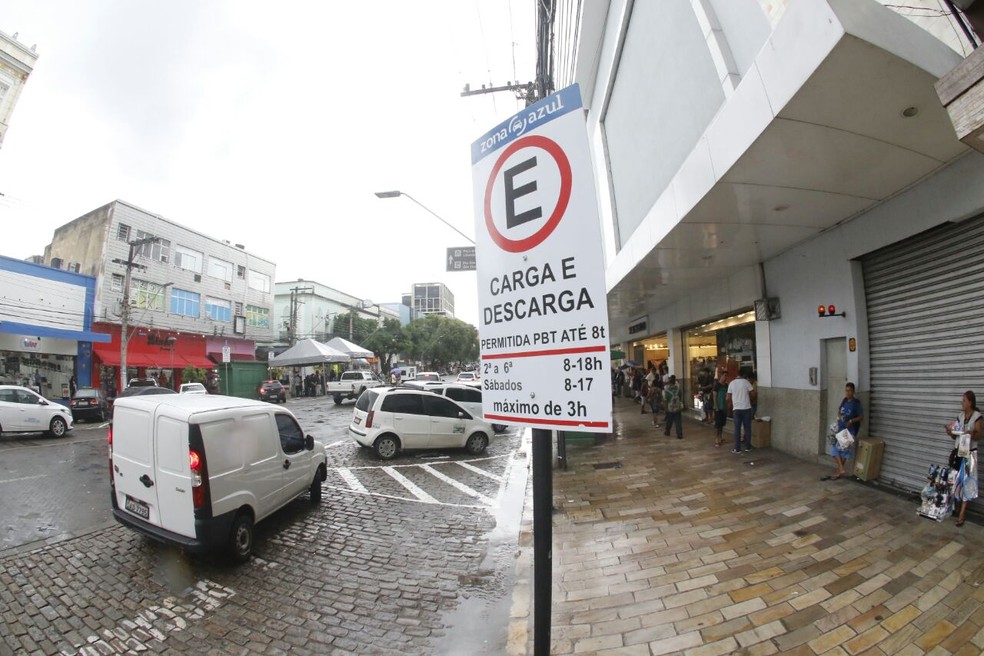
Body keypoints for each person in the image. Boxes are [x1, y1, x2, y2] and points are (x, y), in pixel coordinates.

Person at [947, 390, 981, 527]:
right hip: (959, 453)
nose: (962, 403)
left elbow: (979, 435)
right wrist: (950, 432)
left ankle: (962, 513)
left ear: (970, 402)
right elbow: (955, 435)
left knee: (967, 482)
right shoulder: (960, 416)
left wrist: (971, 433)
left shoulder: (977, 417)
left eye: (964, 401)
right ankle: (955, 506)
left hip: (969, 455)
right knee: (956, 480)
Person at [826, 382, 863, 480]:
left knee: (836, 451)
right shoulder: (844, 401)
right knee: (840, 451)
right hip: (841, 429)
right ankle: (840, 470)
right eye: (846, 390)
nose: (847, 393)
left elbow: (861, 416)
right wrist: (839, 417)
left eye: (850, 391)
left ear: (853, 391)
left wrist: (851, 421)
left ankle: (840, 469)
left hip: (849, 432)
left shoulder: (856, 403)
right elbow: (839, 411)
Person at [728, 369, 755, 454]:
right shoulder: (746, 382)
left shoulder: (731, 383)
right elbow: (753, 393)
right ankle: (748, 447)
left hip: (736, 409)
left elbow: (728, 397)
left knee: (737, 429)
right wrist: (749, 399)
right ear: (744, 375)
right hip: (746, 408)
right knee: (747, 428)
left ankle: (737, 448)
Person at [663, 375, 683, 439]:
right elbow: (680, 398)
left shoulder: (667, 391)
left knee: (669, 420)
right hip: (677, 407)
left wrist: (666, 409)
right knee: (678, 421)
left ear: (669, 382)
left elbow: (665, 401)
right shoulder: (678, 390)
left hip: (670, 408)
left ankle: (667, 431)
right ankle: (679, 434)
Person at [713, 370, 728, 447]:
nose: (725, 377)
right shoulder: (717, 385)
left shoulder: (726, 385)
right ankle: (717, 438)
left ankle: (720, 437)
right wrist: (716, 406)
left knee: (722, 424)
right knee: (718, 424)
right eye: (724, 375)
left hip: (724, 407)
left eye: (726, 376)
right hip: (718, 408)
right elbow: (714, 396)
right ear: (721, 376)